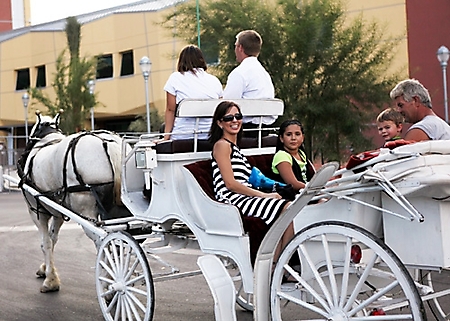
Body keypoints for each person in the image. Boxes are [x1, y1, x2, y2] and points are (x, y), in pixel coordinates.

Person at [209, 100, 292, 261]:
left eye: (237, 116)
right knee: (287, 208)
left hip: (244, 196)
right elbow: (230, 184)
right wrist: (264, 196)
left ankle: (277, 264)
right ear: (220, 123)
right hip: (232, 199)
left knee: (290, 208)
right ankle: (275, 264)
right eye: (228, 118)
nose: (234, 121)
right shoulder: (221, 146)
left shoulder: (236, 149)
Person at [163, 45, 223, 140]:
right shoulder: (215, 80)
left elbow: (171, 110)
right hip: (209, 135)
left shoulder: (175, 78)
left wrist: (166, 136)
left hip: (183, 135)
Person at [223, 30, 275, 135]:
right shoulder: (264, 74)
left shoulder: (239, 73)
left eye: (235, 46)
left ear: (240, 48)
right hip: (265, 130)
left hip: (245, 130)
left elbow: (227, 106)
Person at [271, 120, 315, 193]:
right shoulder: (281, 156)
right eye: (288, 134)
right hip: (290, 196)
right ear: (281, 138)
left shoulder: (301, 153)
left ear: (302, 138)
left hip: (306, 192)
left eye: (297, 134)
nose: (293, 138)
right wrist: (315, 189)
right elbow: (293, 184)